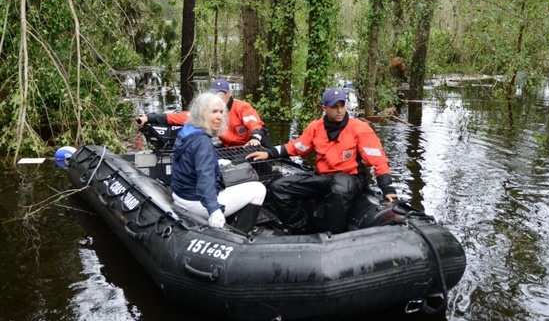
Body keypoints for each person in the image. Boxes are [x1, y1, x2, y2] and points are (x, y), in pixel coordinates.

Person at [248, 88, 397, 234]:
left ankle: (334, 234)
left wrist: (388, 188)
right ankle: (301, 228)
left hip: (351, 178)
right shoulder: (316, 127)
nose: (340, 111)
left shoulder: (359, 128)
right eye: (334, 107)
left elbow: (378, 159)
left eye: (342, 105)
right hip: (324, 177)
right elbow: (297, 146)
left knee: (339, 187)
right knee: (279, 187)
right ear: (324, 108)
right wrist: (269, 153)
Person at [170, 92, 266, 230]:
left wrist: (218, 163)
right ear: (202, 113)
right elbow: (205, 177)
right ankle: (241, 233)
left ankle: (231, 218)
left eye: (221, 112)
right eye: (214, 112)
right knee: (258, 189)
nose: (220, 117)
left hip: (180, 194)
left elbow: (190, 163)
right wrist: (214, 210)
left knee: (234, 173)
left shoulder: (188, 130)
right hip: (196, 202)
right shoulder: (202, 142)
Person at [136, 78, 271, 147]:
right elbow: (183, 117)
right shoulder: (209, 109)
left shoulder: (242, 107)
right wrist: (149, 118)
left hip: (252, 145)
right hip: (230, 148)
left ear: (229, 94)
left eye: (221, 94)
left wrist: (255, 138)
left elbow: (254, 124)